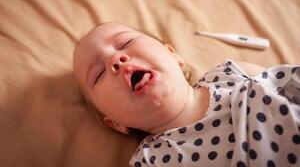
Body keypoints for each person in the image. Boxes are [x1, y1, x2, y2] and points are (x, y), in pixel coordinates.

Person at [73, 22, 300, 167]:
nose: (116, 59)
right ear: (115, 123)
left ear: (174, 56)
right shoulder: (152, 160)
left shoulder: (233, 74)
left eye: (126, 42)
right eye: (99, 74)